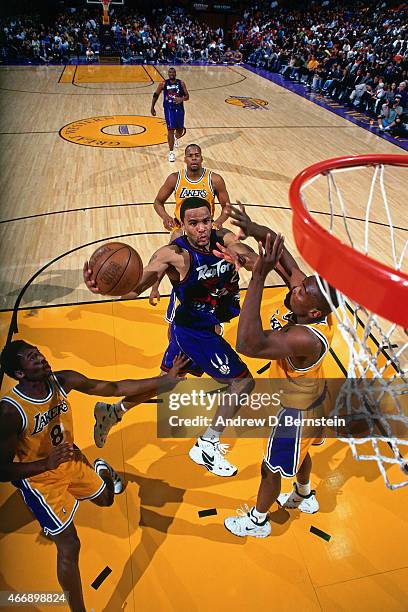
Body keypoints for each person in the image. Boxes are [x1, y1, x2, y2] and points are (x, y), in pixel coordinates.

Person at [0, 341, 187, 611]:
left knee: (107, 499)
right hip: (40, 479)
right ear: (20, 373)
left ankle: (101, 470)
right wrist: (46, 464)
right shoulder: (9, 412)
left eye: (38, 352)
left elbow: (116, 388)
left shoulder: (63, 380)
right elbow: (2, 469)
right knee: (70, 546)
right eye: (32, 358)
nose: (41, 358)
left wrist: (165, 380)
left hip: (69, 458)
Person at [84, 197, 257, 477]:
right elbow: (137, 285)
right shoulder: (173, 254)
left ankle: (113, 411)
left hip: (198, 325)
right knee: (243, 382)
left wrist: (248, 257)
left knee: (169, 382)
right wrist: (105, 289)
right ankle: (207, 444)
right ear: (182, 225)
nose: (201, 228)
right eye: (193, 223)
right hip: (194, 332)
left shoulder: (222, 238)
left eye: (206, 221)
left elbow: (245, 252)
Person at [219, 206, 337, 538]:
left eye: (300, 291)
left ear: (312, 311)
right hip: (315, 398)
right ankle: (303, 493)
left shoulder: (304, 338)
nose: (295, 287)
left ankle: (257, 520)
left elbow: (248, 343)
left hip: (295, 413)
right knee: (305, 452)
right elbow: (284, 255)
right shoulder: (312, 305)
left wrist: (258, 277)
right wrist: (254, 227)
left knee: (270, 469)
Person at [150, 143, 231, 308]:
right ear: (185, 159)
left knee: (213, 265)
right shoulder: (175, 178)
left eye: (197, 155)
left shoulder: (214, 179)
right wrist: (165, 217)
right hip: (181, 228)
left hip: (205, 228)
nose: (194, 158)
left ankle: (216, 295)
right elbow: (158, 201)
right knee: (167, 257)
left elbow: (227, 207)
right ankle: (159, 288)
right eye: (190, 155)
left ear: (201, 158)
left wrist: (219, 221)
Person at [151, 67, 189, 162]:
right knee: (170, 130)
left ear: (175, 73)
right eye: (170, 72)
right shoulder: (163, 84)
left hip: (179, 109)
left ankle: (175, 138)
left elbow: (187, 96)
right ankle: (171, 152)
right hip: (169, 109)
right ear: (168, 74)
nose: (172, 73)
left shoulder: (181, 83)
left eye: (173, 72)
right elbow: (156, 94)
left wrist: (181, 99)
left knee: (180, 130)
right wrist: (152, 107)